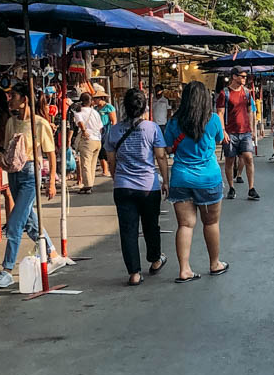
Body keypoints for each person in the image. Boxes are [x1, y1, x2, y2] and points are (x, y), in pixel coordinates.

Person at [0, 85, 64, 288]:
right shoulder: (11, 122)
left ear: (24, 99)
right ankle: (52, 252)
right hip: (14, 173)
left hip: (31, 174)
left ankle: (6, 270)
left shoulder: (40, 124)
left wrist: (51, 182)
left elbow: (51, 153)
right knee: (29, 219)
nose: (9, 99)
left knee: (15, 224)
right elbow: (7, 147)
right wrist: (0, 157)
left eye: (13, 96)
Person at [104, 88, 169, 286]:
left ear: (124, 106)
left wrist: (117, 179)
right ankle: (155, 259)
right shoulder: (152, 128)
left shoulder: (114, 130)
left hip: (123, 187)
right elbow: (160, 156)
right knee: (151, 226)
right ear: (144, 107)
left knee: (128, 230)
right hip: (149, 186)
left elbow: (111, 160)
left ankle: (134, 273)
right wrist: (166, 180)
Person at [163, 80, 227, 282]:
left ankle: (184, 269)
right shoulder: (213, 119)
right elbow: (218, 139)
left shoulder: (174, 122)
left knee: (185, 225)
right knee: (211, 223)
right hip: (208, 178)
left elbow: (166, 147)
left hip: (181, 177)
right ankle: (214, 263)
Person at [219, 66, 259, 201]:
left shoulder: (247, 92)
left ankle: (251, 188)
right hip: (230, 132)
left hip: (245, 131)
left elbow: (250, 111)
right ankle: (231, 187)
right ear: (234, 76)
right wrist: (222, 131)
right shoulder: (225, 93)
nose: (244, 79)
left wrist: (253, 129)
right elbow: (220, 113)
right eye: (242, 76)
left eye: (245, 77)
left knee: (249, 157)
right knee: (230, 160)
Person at [73, 92, 104, 194]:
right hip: (97, 140)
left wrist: (84, 131)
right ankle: (90, 184)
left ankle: (87, 186)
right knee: (93, 164)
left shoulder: (79, 112)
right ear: (90, 101)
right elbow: (101, 127)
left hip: (87, 140)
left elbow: (80, 122)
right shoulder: (95, 112)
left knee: (85, 163)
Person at [95, 90, 117, 176]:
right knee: (100, 151)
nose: (95, 101)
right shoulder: (95, 109)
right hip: (98, 131)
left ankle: (111, 168)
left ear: (101, 98)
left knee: (106, 150)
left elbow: (114, 121)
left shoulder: (109, 107)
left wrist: (112, 132)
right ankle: (105, 170)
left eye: (96, 99)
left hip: (107, 130)